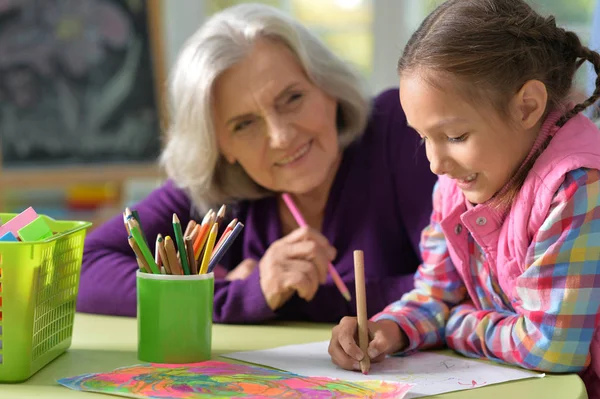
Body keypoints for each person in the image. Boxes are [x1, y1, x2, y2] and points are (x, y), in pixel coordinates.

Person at [76, 3, 437, 324]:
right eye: (244, 124)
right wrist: (232, 295)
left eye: (292, 98)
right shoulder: (216, 188)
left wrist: (286, 299)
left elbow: (462, 282)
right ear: (221, 147)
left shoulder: (399, 127)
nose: (280, 136)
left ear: (329, 89)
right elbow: (84, 269)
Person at [327, 0, 600, 397]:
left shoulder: (577, 186)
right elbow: (436, 293)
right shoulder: (456, 185)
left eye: (455, 136)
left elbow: (553, 347)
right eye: (423, 138)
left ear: (527, 106)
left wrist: (454, 324)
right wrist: (388, 329)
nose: (436, 163)